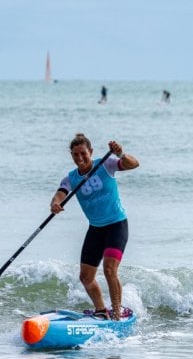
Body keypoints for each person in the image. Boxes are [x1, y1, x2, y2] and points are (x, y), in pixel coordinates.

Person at [50, 134, 139, 320]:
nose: (80, 158)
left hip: (116, 225)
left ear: (91, 151)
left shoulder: (106, 165)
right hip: (96, 229)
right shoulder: (71, 178)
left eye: (83, 153)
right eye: (75, 154)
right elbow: (60, 194)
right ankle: (101, 310)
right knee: (85, 277)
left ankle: (116, 312)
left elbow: (133, 164)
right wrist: (55, 204)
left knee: (109, 269)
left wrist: (121, 153)